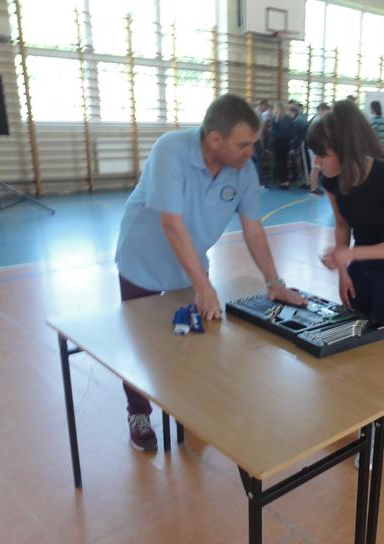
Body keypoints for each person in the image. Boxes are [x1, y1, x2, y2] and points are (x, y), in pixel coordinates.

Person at [114, 93, 303, 451]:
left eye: (254, 143)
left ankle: (187, 407)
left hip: (189, 266)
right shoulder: (171, 151)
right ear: (215, 139)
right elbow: (171, 225)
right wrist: (203, 286)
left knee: (190, 340)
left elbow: (253, 230)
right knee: (142, 346)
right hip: (143, 262)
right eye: (243, 144)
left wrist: (274, 282)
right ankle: (138, 411)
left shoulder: (243, 171)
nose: (251, 151)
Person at [307, 100, 384, 330]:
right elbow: (342, 225)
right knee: (353, 327)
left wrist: (350, 254)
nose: (316, 162)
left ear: (344, 150)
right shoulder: (331, 180)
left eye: (321, 155)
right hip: (361, 261)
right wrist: (343, 272)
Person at [270, 101, 295, 188]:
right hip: (287, 142)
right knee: (285, 162)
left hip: (278, 142)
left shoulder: (276, 119)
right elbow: (292, 132)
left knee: (279, 162)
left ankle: (283, 182)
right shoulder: (288, 118)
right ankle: (286, 181)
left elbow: (274, 132)